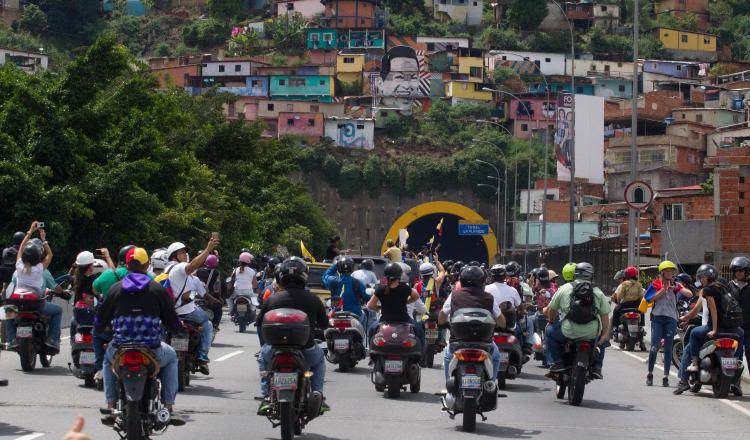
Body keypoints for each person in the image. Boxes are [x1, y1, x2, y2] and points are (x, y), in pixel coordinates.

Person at [96, 247, 184, 426]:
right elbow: (172, 320)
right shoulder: (157, 289)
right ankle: (168, 406)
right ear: (147, 265)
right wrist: (177, 329)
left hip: (120, 348)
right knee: (173, 357)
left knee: (107, 360)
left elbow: (100, 319)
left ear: (127, 266)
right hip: (151, 350)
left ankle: (111, 404)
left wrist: (100, 328)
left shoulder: (115, 289)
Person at [257, 257, 330, 415]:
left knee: (263, 358)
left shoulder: (272, 298)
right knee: (319, 362)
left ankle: (265, 397)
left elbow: (259, 322)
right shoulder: (313, 299)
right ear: (304, 276)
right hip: (306, 350)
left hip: (274, 349)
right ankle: (318, 394)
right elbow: (325, 324)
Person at [439, 265, 505, 381]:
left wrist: (443, 322)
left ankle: (448, 385)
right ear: (483, 282)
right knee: (496, 357)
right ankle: (492, 384)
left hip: (458, 342)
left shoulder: (454, 295)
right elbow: (501, 320)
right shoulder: (489, 297)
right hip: (484, 343)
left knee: (448, 356)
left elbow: (442, 316)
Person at [545, 262, 610, 379]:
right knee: (604, 340)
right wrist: (604, 334)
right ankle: (597, 367)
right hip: (591, 333)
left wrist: (551, 321)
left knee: (549, 332)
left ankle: (557, 363)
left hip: (568, 331)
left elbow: (552, 309)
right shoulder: (598, 292)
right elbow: (605, 316)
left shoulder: (564, 289)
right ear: (591, 275)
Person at [6, 221, 62, 352]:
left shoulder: (19, 267)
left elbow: (20, 248)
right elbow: (50, 255)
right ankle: (52, 339)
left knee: (6, 313)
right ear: (38, 257)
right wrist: (43, 239)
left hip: (18, 304)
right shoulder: (40, 269)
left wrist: (30, 231)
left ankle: (12, 339)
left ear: (24, 256)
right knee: (58, 311)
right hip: (36, 305)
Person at [685, 264, 745, 385]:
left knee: (693, 333)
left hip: (715, 327)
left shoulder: (708, 290)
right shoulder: (723, 287)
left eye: (703, 277)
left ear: (709, 277)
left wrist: (714, 329)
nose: (701, 280)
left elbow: (713, 311)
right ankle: (737, 361)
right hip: (732, 328)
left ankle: (695, 364)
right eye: (700, 277)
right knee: (741, 334)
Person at [165, 238, 219, 367]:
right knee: (208, 324)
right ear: (174, 256)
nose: (185, 255)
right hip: (186, 312)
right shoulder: (179, 267)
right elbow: (192, 266)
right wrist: (208, 249)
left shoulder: (167, 269)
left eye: (185, 252)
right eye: (182, 253)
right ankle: (202, 354)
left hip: (169, 312)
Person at [646, 260, 692, 386]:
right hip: (657, 318)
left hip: (671, 319)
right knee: (655, 346)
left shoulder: (676, 285)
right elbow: (648, 298)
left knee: (668, 348)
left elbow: (690, 294)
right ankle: (650, 373)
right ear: (662, 272)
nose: (670, 273)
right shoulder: (656, 284)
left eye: (672, 271)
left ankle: (665, 376)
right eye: (667, 271)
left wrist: (678, 288)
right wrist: (662, 290)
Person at [366, 263, 422, 344]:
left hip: (385, 320)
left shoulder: (380, 289)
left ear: (386, 276)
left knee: (371, 330)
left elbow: (371, 305)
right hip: (404, 320)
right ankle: (422, 352)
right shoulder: (405, 287)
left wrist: (379, 307)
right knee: (419, 331)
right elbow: (416, 296)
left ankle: (371, 351)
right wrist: (406, 301)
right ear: (399, 275)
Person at [322, 257, 369, 321]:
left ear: (339, 268)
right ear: (352, 268)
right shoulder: (358, 283)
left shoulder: (333, 281)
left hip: (336, 315)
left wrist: (336, 265)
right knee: (364, 317)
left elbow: (325, 276)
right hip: (354, 316)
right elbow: (366, 296)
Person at [728, 256, 750, 393]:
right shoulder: (729, 286)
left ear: (746, 271)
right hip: (734, 327)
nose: (738, 272)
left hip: (749, 327)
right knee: (735, 355)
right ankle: (735, 383)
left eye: (741, 270)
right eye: (736, 270)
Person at [611, 266, 645, 332]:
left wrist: (618, 303)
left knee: (616, 310)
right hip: (636, 305)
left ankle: (615, 327)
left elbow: (620, 296)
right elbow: (641, 296)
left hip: (625, 305)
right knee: (642, 311)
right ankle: (641, 325)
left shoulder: (624, 284)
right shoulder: (639, 284)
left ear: (627, 275)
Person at [195, 254, 225, 331]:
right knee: (218, 307)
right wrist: (219, 297)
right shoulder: (216, 272)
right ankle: (215, 325)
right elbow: (217, 288)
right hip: (209, 297)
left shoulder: (199, 270)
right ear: (215, 263)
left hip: (196, 297)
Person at [228, 252, 257, 316]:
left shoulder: (235, 270)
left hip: (236, 292)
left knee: (228, 298)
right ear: (249, 261)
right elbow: (255, 285)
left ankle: (231, 310)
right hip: (248, 292)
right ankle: (252, 310)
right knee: (254, 298)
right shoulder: (252, 271)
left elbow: (231, 281)